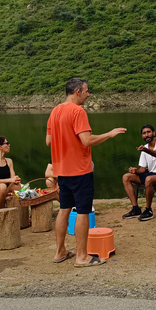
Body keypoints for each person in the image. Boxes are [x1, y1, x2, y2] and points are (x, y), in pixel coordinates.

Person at [46, 77, 126, 267]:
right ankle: (82, 257)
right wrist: (109, 134)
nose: (88, 94)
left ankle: (60, 252)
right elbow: (87, 140)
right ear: (77, 92)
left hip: (62, 170)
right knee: (82, 211)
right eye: (87, 90)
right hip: (79, 170)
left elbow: (49, 141)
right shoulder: (78, 111)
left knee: (64, 209)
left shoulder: (55, 111)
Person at [121, 124, 156, 221]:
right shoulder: (145, 148)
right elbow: (142, 169)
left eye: (148, 132)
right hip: (150, 173)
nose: (147, 135)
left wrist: (146, 150)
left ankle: (148, 210)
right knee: (126, 177)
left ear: (153, 133)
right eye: (144, 133)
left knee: (148, 179)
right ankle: (135, 208)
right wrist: (135, 170)